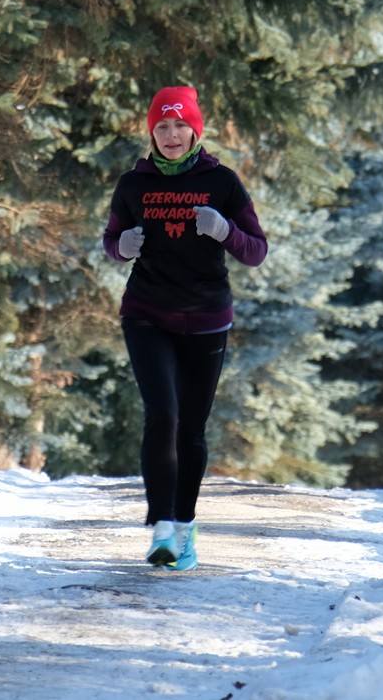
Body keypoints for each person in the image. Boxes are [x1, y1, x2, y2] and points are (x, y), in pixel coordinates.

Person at [102, 85, 268, 571]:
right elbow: (111, 240)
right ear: (151, 132)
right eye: (162, 126)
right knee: (163, 415)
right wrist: (122, 246)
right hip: (147, 313)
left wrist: (225, 230)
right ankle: (162, 526)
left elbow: (256, 251)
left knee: (191, 429)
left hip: (206, 318)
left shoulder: (223, 182)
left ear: (195, 130)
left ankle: (185, 527)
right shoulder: (133, 184)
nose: (171, 135)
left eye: (180, 126)